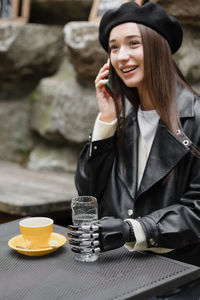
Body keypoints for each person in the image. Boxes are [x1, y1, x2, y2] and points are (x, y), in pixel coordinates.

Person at [67, 2, 200, 299]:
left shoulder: (197, 118)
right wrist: (105, 121)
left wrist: (132, 229)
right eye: (113, 48)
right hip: (116, 271)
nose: (121, 56)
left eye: (133, 43)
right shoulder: (121, 118)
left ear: (159, 48)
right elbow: (88, 192)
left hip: (176, 276)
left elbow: (197, 210)